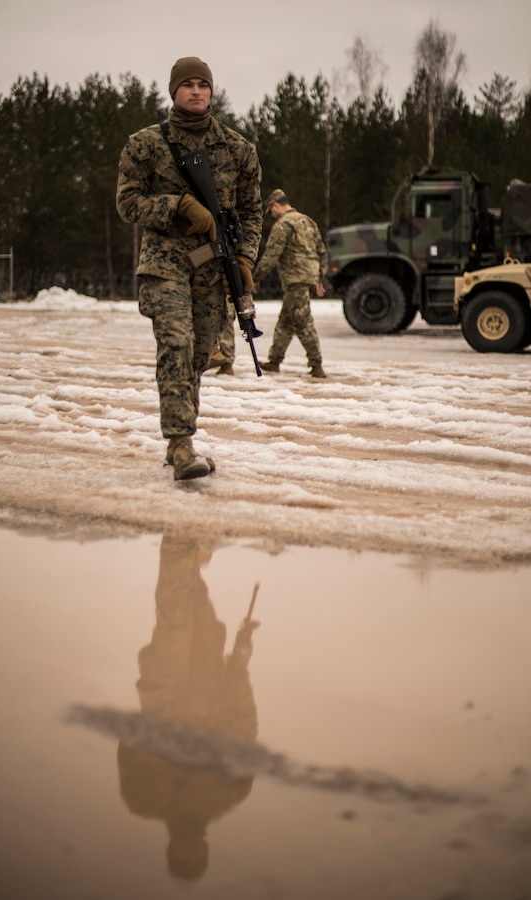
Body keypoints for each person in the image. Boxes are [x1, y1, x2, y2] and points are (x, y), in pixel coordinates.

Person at [116, 57, 262, 480]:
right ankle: (181, 444)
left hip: (214, 267)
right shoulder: (145, 144)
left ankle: (180, 438)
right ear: (174, 91)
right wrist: (176, 205)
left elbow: (252, 212)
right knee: (176, 344)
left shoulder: (238, 149)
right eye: (188, 84)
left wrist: (247, 257)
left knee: (199, 354)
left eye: (203, 84)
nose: (196, 91)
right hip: (165, 263)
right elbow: (127, 203)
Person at [117, 534, 259, 881]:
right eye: (195, 856)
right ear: (205, 850)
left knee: (176, 619)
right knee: (198, 610)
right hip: (210, 684)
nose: (190, 849)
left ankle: (180, 538)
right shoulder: (231, 791)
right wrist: (240, 663)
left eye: (185, 856)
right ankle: (190, 549)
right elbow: (243, 725)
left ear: (173, 849)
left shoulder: (143, 800)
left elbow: (128, 743)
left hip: (165, 695)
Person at [253, 189, 328, 378]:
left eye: (271, 210)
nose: (271, 215)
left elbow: (272, 255)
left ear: (277, 205)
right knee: (286, 321)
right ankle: (274, 361)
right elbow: (321, 250)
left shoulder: (283, 224)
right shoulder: (308, 221)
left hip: (296, 279)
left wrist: (255, 277)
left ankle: (317, 365)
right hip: (307, 277)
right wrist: (319, 277)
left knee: (302, 322)